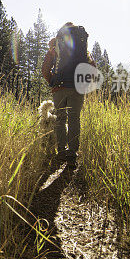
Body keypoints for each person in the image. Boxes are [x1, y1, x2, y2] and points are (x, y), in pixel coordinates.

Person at [41, 22, 90, 166]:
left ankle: (61, 151)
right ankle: (72, 154)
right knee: (74, 119)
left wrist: (53, 82)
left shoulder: (55, 44)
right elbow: (91, 66)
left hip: (59, 88)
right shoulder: (82, 46)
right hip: (77, 88)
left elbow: (45, 69)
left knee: (60, 119)